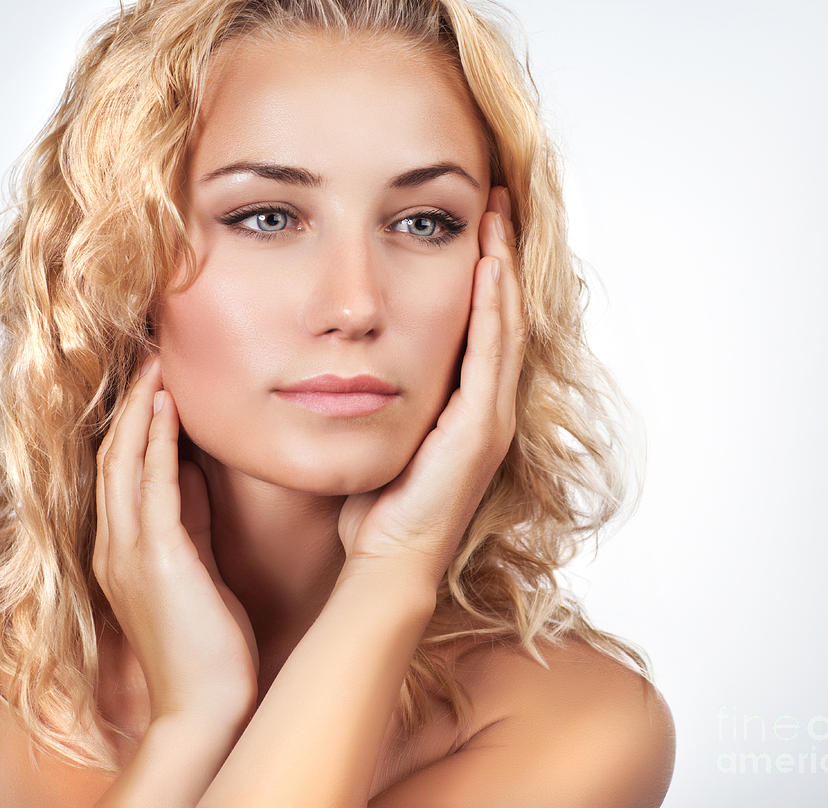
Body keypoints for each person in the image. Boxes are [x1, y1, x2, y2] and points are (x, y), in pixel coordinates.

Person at [0, 0, 675, 804]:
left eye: (425, 222)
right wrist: (196, 719)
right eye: (269, 217)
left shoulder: (576, 725)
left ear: (500, 271)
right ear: (115, 266)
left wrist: (394, 575)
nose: (355, 305)